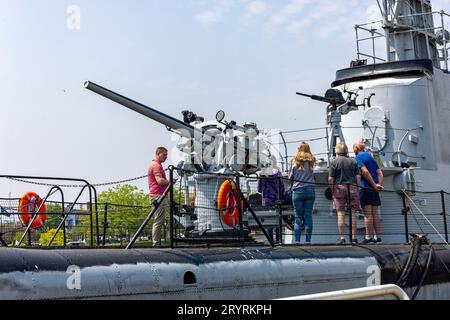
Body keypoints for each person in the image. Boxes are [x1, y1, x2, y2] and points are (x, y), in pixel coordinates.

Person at [328, 142, 361, 244]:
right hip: (352, 188)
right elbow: (358, 177)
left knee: (340, 214)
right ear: (346, 150)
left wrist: (332, 188)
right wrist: (357, 187)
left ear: (337, 150)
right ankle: (354, 238)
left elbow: (330, 178)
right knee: (353, 214)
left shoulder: (334, 162)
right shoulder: (353, 161)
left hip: (338, 188)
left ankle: (342, 238)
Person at [353, 141, 384, 244]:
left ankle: (368, 237)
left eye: (354, 148)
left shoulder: (358, 158)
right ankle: (378, 237)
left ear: (356, 149)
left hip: (365, 188)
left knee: (368, 214)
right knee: (375, 214)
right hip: (374, 190)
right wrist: (378, 184)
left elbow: (365, 171)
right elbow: (380, 173)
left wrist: (374, 186)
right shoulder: (371, 158)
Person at [289, 142, 316, 244]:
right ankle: (308, 241)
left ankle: (297, 241)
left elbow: (290, 177)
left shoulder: (295, 161)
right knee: (308, 216)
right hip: (310, 191)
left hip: (298, 191)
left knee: (298, 217)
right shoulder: (312, 161)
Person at [148, 147, 171, 247]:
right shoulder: (156, 165)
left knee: (159, 221)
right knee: (158, 221)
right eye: (164, 154)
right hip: (158, 196)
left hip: (158, 196)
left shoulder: (156, 165)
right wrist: (171, 181)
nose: (166, 157)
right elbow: (160, 181)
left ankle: (156, 242)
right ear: (158, 154)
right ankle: (156, 243)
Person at [257, 155, 284, 243]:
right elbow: (282, 186)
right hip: (277, 198)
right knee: (277, 219)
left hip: (267, 199)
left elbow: (259, 189)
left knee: (269, 220)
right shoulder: (278, 173)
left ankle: (271, 241)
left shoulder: (262, 174)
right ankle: (278, 240)